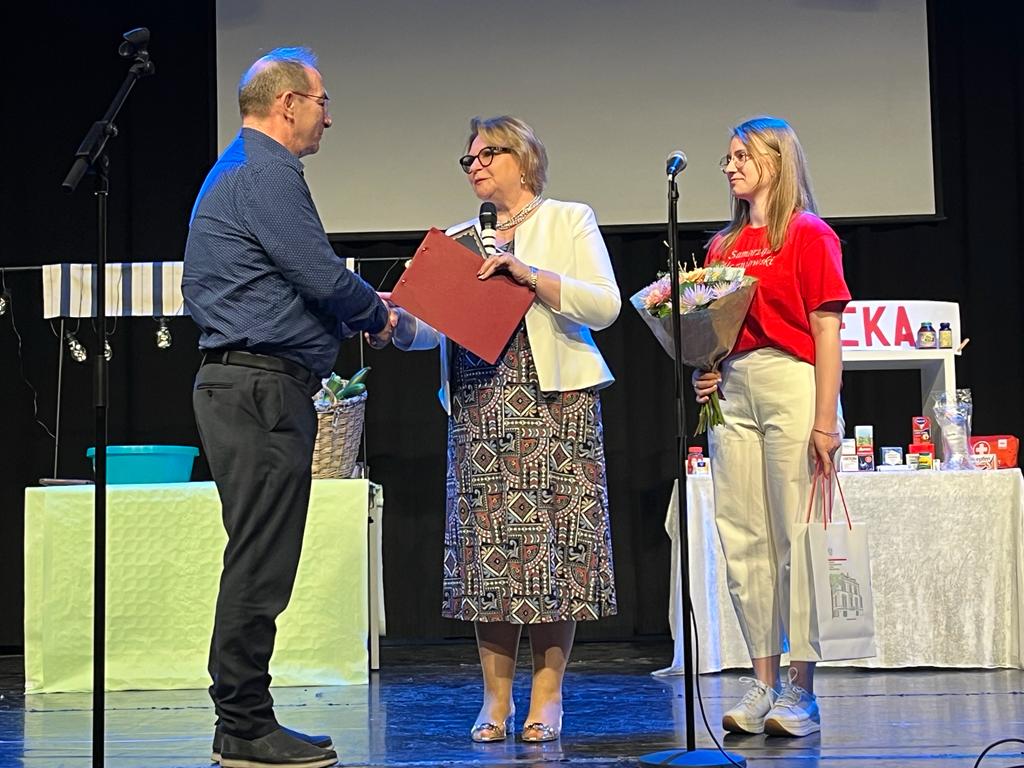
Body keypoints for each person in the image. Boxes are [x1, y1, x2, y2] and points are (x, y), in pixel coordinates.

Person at [182, 47, 394, 768]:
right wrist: (375, 312)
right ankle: (243, 725)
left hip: (251, 387)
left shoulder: (242, 167)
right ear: (288, 104)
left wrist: (355, 308)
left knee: (261, 556)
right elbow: (317, 273)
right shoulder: (265, 171)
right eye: (322, 102)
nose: (328, 118)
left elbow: (290, 282)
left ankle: (242, 721)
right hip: (259, 389)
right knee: (261, 562)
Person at [380, 115, 620, 742]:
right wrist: (397, 324)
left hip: (555, 403)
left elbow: (605, 304)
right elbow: (432, 329)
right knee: (488, 557)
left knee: (556, 555)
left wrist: (529, 276)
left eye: (488, 154)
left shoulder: (568, 219)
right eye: (469, 159)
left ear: (524, 157)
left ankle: (548, 697)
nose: (476, 166)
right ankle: (495, 700)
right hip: (480, 405)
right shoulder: (460, 239)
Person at [692, 116, 850, 738]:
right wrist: (705, 369)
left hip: (793, 383)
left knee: (796, 538)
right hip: (735, 389)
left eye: (742, 156)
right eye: (727, 158)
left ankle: (801, 689)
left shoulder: (808, 234)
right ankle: (762, 681)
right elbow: (714, 331)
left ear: (777, 162)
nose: (730, 167)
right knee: (743, 538)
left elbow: (827, 331)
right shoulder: (722, 246)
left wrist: (825, 420)